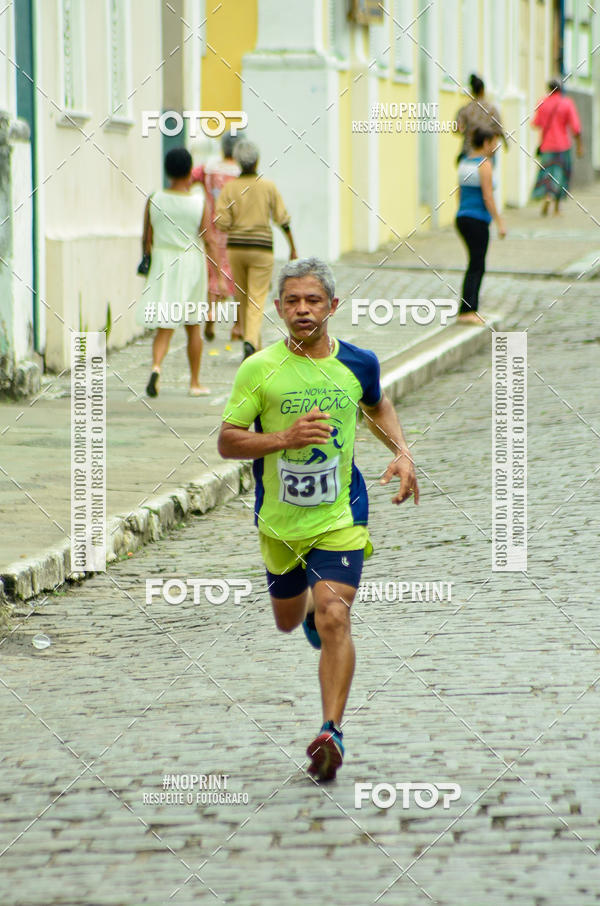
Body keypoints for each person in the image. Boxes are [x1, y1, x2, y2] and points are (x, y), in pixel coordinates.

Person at [217, 257, 419, 781]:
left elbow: (378, 405)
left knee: (336, 615)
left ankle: (331, 731)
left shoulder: (359, 363)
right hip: (280, 523)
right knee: (290, 618)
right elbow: (227, 441)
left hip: (341, 515)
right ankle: (303, 609)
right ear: (279, 307)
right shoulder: (259, 369)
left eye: (313, 300)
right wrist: (282, 439)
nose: (303, 309)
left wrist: (401, 452)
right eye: (292, 301)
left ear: (332, 305)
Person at [137, 147, 222, 397]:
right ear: (189, 172)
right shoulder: (199, 203)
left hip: (163, 261)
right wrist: (217, 275)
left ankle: (156, 367)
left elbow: (146, 237)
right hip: (190, 262)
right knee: (192, 325)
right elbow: (210, 240)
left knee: (165, 323)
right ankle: (195, 382)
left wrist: (149, 259)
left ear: (167, 171)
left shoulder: (155, 198)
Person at [214, 140, 297, 361]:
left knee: (241, 297)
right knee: (257, 298)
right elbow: (282, 219)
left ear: (238, 162)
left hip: (236, 248)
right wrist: (292, 247)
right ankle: (250, 341)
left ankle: (253, 346)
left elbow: (220, 221)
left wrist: (235, 224)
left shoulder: (229, 188)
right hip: (261, 248)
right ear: (257, 160)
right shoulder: (268, 186)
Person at [191, 131, 242, 341]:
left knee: (214, 272)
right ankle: (238, 325)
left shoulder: (209, 168)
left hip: (212, 227)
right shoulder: (241, 172)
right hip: (236, 230)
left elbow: (191, 177)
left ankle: (211, 317)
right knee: (239, 276)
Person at [455, 127, 506, 325]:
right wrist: (500, 222)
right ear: (485, 143)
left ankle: (467, 309)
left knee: (473, 263)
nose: (495, 147)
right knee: (477, 265)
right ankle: (468, 310)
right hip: (477, 219)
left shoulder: (464, 162)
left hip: (462, 218)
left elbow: (460, 192)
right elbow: (488, 196)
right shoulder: (484, 165)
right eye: (493, 143)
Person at [531, 78, 583, 216]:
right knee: (561, 174)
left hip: (547, 146)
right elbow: (576, 127)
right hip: (562, 146)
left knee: (547, 173)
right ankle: (556, 207)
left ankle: (548, 195)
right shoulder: (567, 103)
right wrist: (579, 146)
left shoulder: (542, 103)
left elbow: (535, 123)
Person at [455, 74, 507, 162]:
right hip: (487, 154)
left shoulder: (464, 110)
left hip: (468, 152)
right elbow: (498, 131)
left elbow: (457, 129)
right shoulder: (492, 110)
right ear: (483, 90)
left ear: (471, 91)